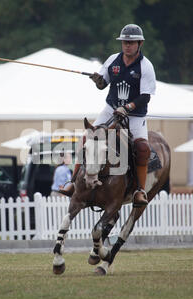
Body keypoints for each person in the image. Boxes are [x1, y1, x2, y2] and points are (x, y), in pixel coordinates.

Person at [60, 24, 156, 207]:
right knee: (87, 137)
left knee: (142, 149)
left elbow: (145, 96)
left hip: (135, 115)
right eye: (124, 42)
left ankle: (139, 191)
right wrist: (98, 81)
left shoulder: (146, 66)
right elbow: (103, 83)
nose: (127, 45)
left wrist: (127, 107)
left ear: (140, 43)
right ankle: (72, 182)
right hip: (110, 109)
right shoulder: (113, 60)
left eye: (131, 42)